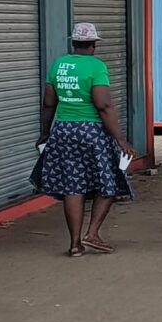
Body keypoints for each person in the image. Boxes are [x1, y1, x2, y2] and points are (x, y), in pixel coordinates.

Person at [34, 22, 136, 257]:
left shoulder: (59, 65)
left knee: (73, 186)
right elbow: (104, 105)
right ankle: (92, 233)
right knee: (109, 180)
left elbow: (48, 103)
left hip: (63, 131)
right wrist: (120, 139)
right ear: (93, 45)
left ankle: (75, 244)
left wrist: (45, 132)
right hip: (92, 132)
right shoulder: (96, 66)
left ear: (74, 43)